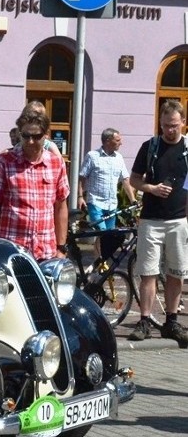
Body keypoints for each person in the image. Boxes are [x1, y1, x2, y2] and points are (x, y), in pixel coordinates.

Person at [127, 100, 188, 347]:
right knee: (148, 273)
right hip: (151, 220)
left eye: (173, 125)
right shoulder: (150, 146)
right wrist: (150, 188)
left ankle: (171, 321)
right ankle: (144, 321)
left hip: (178, 220)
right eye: (165, 126)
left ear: (183, 122)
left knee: (176, 273)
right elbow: (133, 180)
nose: (169, 130)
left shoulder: (187, 149)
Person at [0, 111, 69, 261]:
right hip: (11, 250)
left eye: (36, 137)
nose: (30, 141)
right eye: (26, 136)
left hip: (46, 251)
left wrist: (61, 247)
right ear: (19, 134)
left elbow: (61, 206)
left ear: (46, 135)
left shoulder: (56, 162)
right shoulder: (4, 161)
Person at [78, 128, 136, 238]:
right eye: (118, 140)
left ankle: (102, 256)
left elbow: (125, 179)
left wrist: (132, 199)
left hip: (112, 204)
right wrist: (80, 196)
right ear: (108, 140)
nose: (121, 143)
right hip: (95, 203)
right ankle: (99, 256)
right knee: (102, 233)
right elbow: (82, 177)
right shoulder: (92, 156)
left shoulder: (119, 158)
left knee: (109, 236)